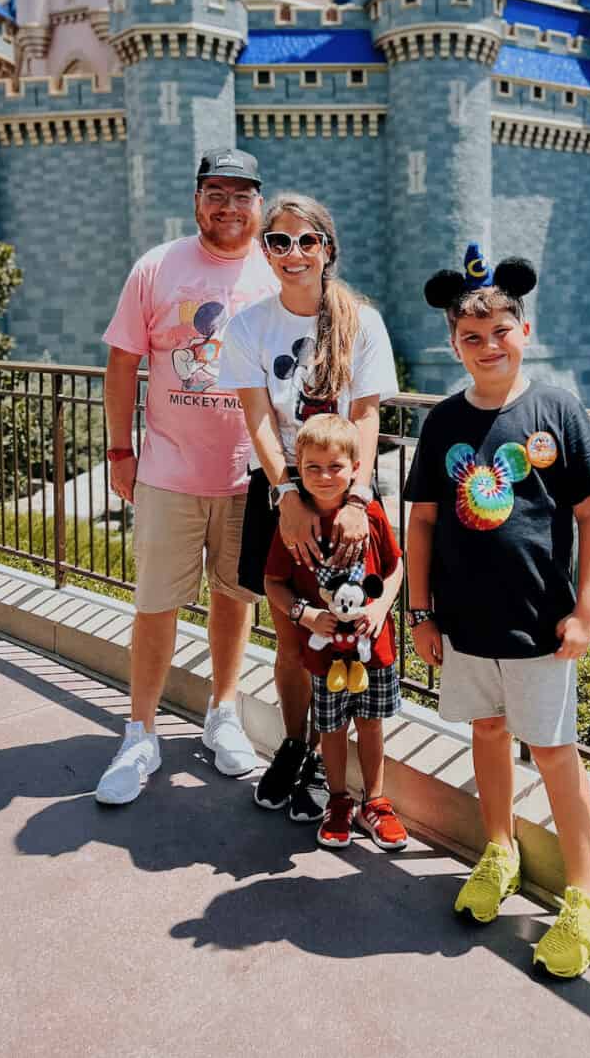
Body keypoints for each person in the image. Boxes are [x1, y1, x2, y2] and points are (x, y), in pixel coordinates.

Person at [403, 245, 590, 978]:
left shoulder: (556, 406)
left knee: (555, 752)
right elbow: (426, 522)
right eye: (472, 336)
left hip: (540, 626)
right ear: (454, 345)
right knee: (488, 732)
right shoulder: (442, 424)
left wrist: (585, 611)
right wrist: (420, 611)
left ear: (523, 331)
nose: (488, 345)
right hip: (465, 625)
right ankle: (499, 847)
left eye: (501, 330)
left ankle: (585, 896)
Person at [95, 148, 278, 805]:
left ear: (259, 202)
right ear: (197, 197)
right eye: (216, 192)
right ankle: (139, 728)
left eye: (241, 194)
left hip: (247, 474)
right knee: (156, 603)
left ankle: (222, 710)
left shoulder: (275, 270)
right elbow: (121, 366)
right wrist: (121, 451)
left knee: (234, 597)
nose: (228, 206)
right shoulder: (157, 267)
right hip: (169, 470)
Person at [220, 194, 399, 821]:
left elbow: (368, 415)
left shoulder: (363, 324)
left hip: (348, 501)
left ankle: (346, 773)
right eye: (278, 242)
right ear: (264, 251)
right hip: (284, 494)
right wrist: (287, 492)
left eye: (306, 241)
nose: (293, 254)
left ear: (327, 248)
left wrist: (354, 498)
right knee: (293, 638)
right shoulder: (248, 327)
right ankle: (298, 748)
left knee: (350, 635)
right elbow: (259, 419)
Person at [265, 414, 407, 851]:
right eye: (313, 468)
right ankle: (339, 801)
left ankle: (376, 801)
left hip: (372, 650)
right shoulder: (293, 525)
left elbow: (395, 567)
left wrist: (382, 607)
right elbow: (273, 582)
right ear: (297, 468)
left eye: (336, 467)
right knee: (331, 728)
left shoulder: (372, 516)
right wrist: (305, 616)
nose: (325, 477)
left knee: (370, 724)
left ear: (355, 467)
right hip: (324, 655)